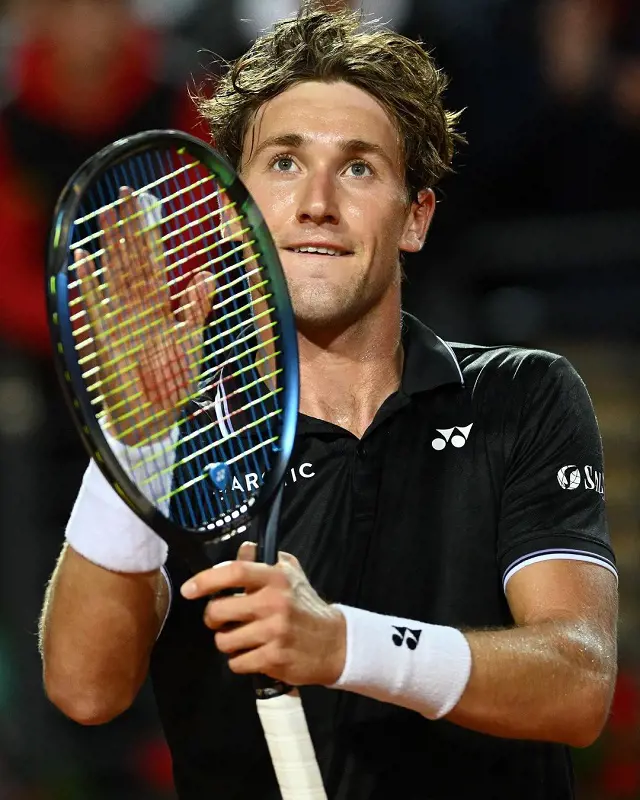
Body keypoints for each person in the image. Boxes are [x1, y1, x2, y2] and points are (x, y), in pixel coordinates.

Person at [39, 5, 618, 799]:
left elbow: (579, 684)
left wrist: (343, 644)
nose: (316, 201)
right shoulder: (176, 438)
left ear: (415, 218)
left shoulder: (523, 394)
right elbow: (84, 688)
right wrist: (135, 439)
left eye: (358, 168)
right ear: (229, 211)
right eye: (282, 163)